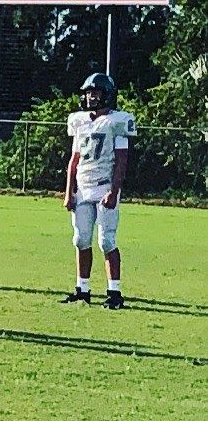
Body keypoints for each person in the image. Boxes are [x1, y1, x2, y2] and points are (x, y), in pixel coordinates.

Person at [62, 72, 132, 309]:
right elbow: (74, 159)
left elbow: (122, 160)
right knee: (81, 239)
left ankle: (114, 293)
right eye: (88, 93)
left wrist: (114, 191)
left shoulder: (116, 121)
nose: (91, 97)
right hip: (83, 187)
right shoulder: (80, 121)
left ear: (107, 95)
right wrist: (68, 190)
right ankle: (82, 289)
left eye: (96, 92)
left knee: (106, 240)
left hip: (104, 186)